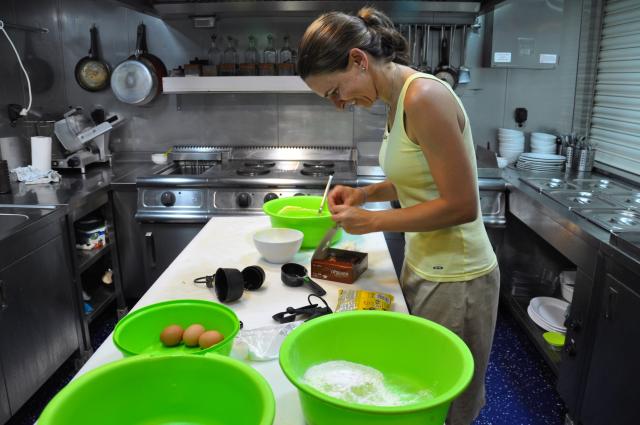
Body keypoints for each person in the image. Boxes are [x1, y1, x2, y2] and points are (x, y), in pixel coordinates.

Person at [297, 7, 500, 425]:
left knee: (443, 402)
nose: (338, 104)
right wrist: (366, 193)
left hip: (458, 277)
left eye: (334, 91)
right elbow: (421, 179)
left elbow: (462, 204)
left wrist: (372, 221)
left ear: (358, 60)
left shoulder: (424, 97)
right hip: (426, 263)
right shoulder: (396, 101)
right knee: (415, 387)